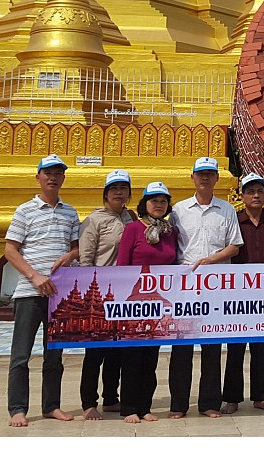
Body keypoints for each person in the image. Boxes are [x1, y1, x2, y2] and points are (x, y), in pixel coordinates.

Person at [4, 154, 81, 427]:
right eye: (47, 172)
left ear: (63, 177)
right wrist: (34, 276)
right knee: (21, 355)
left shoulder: (70, 212)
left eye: (58, 172)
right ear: (38, 176)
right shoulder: (25, 210)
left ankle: (51, 405)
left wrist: (72, 255)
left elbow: (76, 247)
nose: (53, 177)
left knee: (54, 354)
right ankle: (17, 409)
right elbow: (10, 250)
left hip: (58, 294)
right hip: (29, 291)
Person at [167, 156, 243, 419]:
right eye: (201, 174)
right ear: (193, 178)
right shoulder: (178, 210)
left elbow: (234, 245)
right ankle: (178, 404)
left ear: (216, 178)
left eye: (210, 174)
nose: (205, 178)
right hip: (185, 286)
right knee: (182, 348)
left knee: (212, 346)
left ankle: (209, 402)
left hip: (217, 286)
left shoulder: (227, 210)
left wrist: (211, 259)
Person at [115, 181, 180, 423]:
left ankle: (145, 406)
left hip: (159, 301)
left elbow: (173, 264)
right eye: (154, 200)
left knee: (151, 357)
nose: (159, 205)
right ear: (145, 204)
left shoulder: (170, 232)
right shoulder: (133, 229)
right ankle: (129, 407)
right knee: (133, 357)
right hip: (135, 300)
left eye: (163, 201)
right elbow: (122, 265)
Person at [76, 170, 136, 420]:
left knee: (118, 350)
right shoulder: (94, 220)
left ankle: (112, 397)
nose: (119, 193)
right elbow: (86, 257)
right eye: (114, 189)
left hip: (123, 292)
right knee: (95, 351)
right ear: (105, 193)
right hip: (100, 291)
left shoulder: (131, 218)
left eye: (123, 188)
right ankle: (89, 402)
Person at [222, 173, 264, 414]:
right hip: (238, 293)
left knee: (261, 347)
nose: (256, 196)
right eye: (250, 192)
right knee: (235, 347)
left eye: (260, 192)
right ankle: (232, 398)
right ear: (242, 196)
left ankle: (260, 396)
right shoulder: (234, 222)